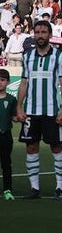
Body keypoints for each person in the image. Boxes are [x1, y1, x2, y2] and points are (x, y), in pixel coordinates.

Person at [15, 20, 62, 199]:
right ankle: (34, 189)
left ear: (49, 34)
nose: (40, 35)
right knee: (31, 148)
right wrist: (19, 106)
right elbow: (23, 83)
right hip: (31, 111)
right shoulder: (28, 56)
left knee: (57, 147)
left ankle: (60, 188)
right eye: (37, 32)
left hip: (52, 110)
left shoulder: (59, 56)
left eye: (43, 32)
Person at [0, 69, 14, 200]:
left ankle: (7, 189)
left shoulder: (11, 99)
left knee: (6, 163)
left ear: (7, 82)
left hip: (5, 135)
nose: (0, 82)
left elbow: (15, 115)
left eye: (3, 80)